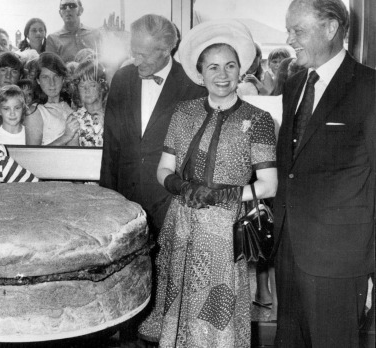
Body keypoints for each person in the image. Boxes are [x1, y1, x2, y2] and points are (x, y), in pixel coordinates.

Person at [138, 19, 278, 347]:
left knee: (217, 305)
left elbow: (269, 185)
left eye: (230, 66)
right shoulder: (183, 113)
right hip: (182, 222)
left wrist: (225, 195)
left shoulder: (258, 120)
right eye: (213, 67)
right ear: (200, 73)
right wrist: (182, 187)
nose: (222, 74)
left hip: (225, 228)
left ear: (241, 70)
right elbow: (163, 169)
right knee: (180, 299)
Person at [274, 1, 375, 347]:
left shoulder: (369, 88)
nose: (289, 39)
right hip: (288, 250)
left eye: (297, 30)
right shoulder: (294, 84)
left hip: (339, 261)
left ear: (331, 29)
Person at [100, 14, 206, 236]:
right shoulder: (121, 79)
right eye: (133, 52)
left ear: (166, 50)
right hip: (124, 204)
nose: (136, 61)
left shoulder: (193, 87)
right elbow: (111, 148)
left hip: (170, 203)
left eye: (143, 55)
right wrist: (107, 200)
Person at [24, 52, 79, 146]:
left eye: (56, 76)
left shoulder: (69, 106)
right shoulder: (34, 112)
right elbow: (33, 156)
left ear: (63, 78)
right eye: (45, 77)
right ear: (38, 80)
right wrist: (65, 137)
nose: (52, 83)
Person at [71, 60, 109, 147]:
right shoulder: (75, 119)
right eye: (82, 86)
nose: (86, 90)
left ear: (102, 86)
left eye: (92, 85)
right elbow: (72, 154)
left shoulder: (111, 114)